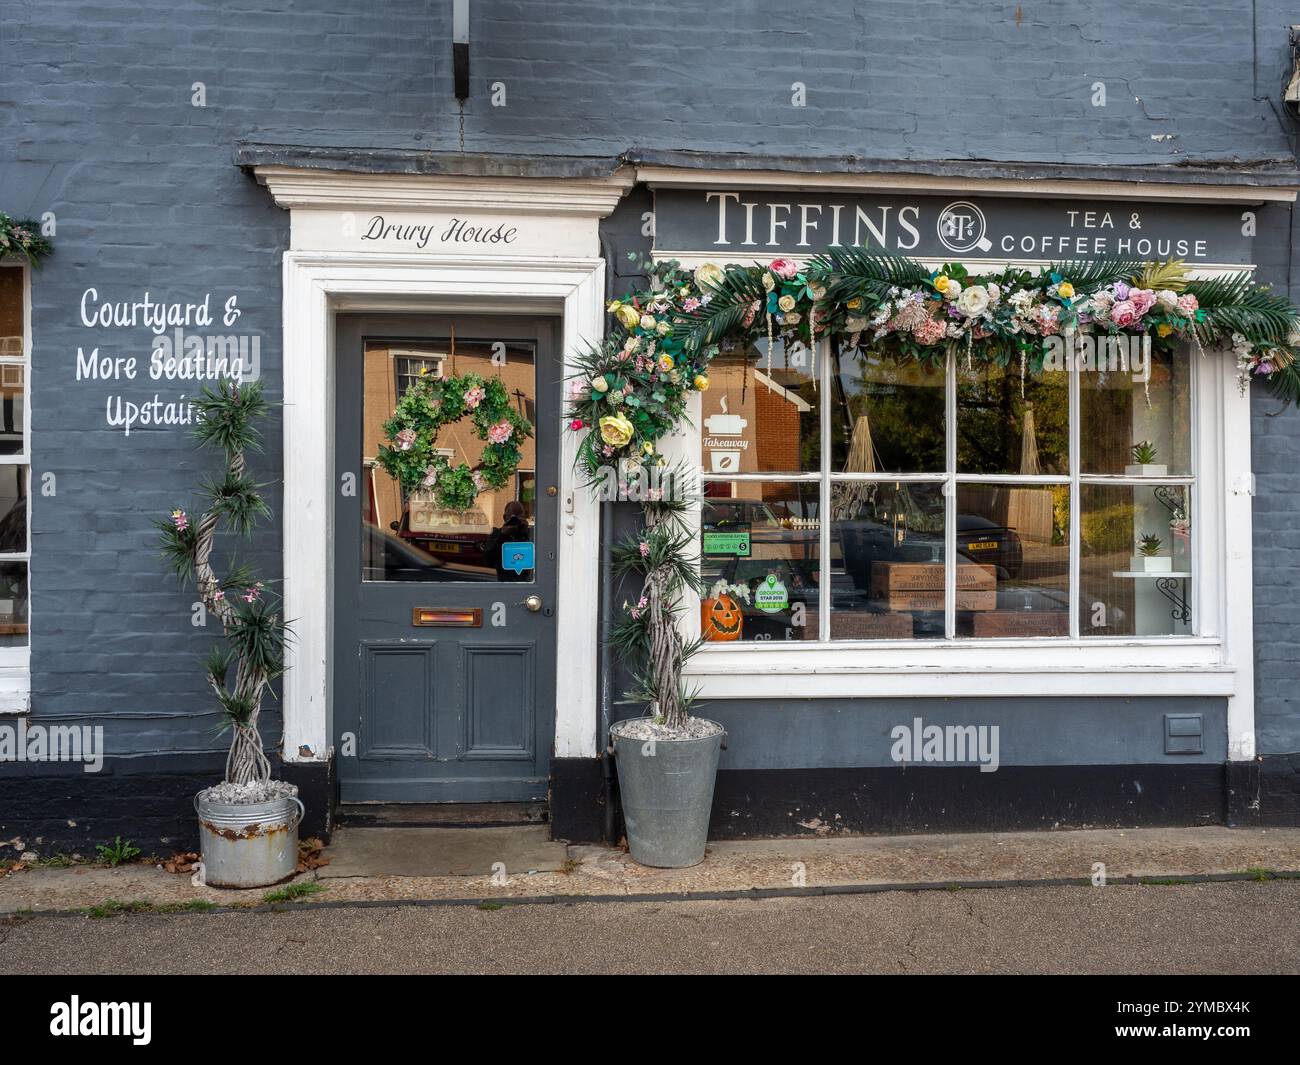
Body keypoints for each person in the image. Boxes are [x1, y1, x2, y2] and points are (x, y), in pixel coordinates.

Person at [486, 500, 531, 581]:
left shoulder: (530, 534)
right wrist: (502, 536)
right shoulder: (497, 534)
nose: (515, 520)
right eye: (512, 517)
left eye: (519, 516)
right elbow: (488, 560)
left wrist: (525, 534)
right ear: (505, 517)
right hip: (504, 581)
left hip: (526, 583)